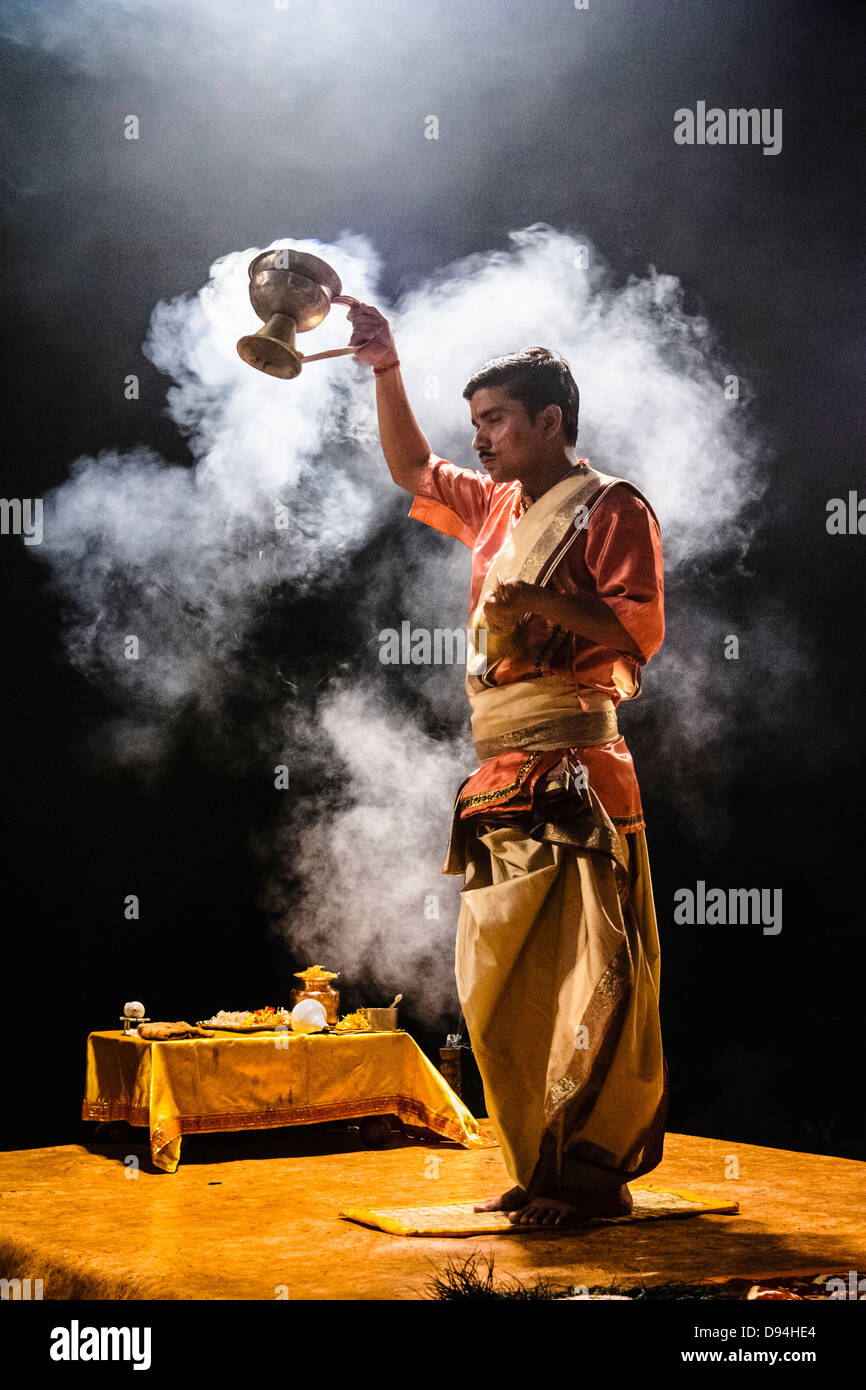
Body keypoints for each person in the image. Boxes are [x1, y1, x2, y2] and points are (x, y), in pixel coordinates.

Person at [348, 301, 669, 1227]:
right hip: (497, 771)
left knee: (588, 977)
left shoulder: (612, 507)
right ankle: (540, 1159)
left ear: (550, 423)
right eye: (478, 422)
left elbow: (637, 635)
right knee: (498, 991)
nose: (480, 440)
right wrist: (384, 366)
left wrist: (544, 604)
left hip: (577, 768)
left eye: (495, 421)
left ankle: (592, 1180)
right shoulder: (495, 504)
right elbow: (411, 468)